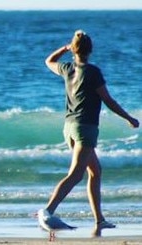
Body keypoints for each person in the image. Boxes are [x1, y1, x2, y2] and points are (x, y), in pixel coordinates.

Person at [42, 29, 140, 237]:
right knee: (76, 174)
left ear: (73, 49)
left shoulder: (67, 68)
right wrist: (129, 118)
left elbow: (48, 60)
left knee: (95, 171)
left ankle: (100, 220)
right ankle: (48, 211)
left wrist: (65, 48)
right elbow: (109, 100)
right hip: (85, 129)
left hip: (69, 128)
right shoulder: (92, 72)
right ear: (91, 50)